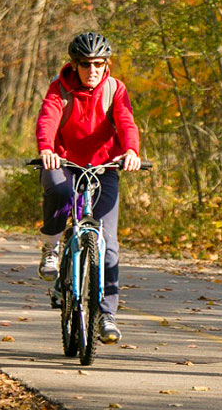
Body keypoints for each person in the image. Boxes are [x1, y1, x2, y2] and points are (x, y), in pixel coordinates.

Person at [34, 32, 142, 344]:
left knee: (108, 245)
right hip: (63, 162)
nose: (92, 70)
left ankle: (107, 315)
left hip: (104, 167)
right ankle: (52, 246)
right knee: (59, 191)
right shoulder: (60, 88)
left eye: (98, 64)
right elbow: (47, 119)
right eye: (85, 64)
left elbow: (126, 122)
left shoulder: (114, 89)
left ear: (105, 64)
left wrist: (131, 152)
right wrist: (46, 149)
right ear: (75, 64)